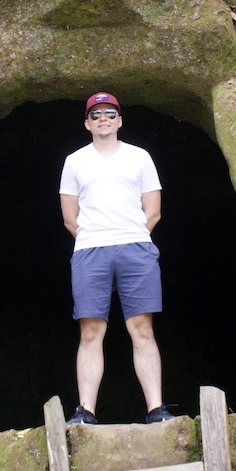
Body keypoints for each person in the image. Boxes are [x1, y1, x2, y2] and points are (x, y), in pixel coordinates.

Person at [59, 93, 174, 426]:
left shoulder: (139, 158)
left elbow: (153, 211)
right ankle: (85, 411)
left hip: (135, 247)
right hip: (90, 250)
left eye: (110, 113)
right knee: (91, 331)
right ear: (87, 123)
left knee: (142, 328)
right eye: (95, 115)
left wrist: (131, 235)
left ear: (120, 120)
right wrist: (96, 237)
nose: (103, 119)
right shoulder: (74, 161)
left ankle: (156, 410)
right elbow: (70, 217)